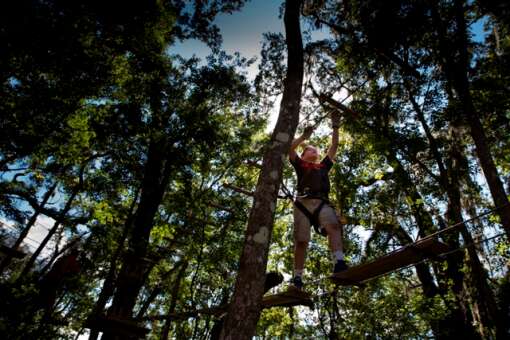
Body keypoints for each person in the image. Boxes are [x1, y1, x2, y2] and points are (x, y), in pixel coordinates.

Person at [288, 111, 348, 289]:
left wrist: (335, 125)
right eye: (311, 149)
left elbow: (334, 147)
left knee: (334, 227)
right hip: (303, 203)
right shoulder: (300, 164)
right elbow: (290, 149)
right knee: (301, 240)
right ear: (305, 154)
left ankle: (339, 262)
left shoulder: (323, 166)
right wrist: (304, 136)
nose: (315, 151)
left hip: (322, 202)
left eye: (316, 150)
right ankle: (297, 278)